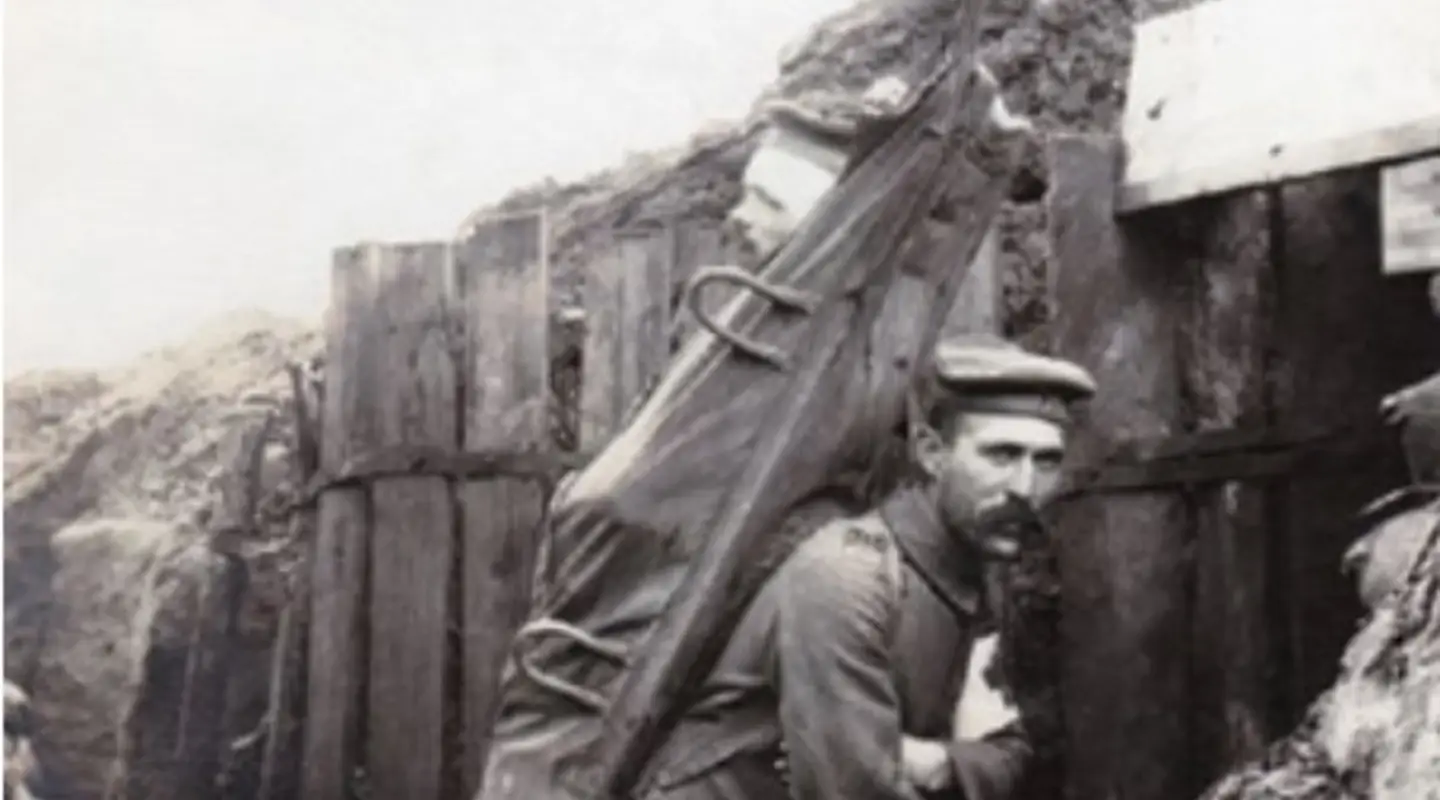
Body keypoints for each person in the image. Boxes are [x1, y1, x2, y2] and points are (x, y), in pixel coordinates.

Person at [634, 334, 1097, 800]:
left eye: (1047, 462)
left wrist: (937, 763)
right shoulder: (847, 579)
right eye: (1001, 455)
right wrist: (942, 762)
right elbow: (856, 791)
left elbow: (1008, 754)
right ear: (931, 453)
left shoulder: (973, 571)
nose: (1025, 486)